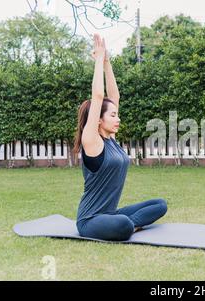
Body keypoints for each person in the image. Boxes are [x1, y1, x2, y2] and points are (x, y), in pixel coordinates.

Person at [73, 34, 167, 240]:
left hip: (110, 214)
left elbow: (113, 96)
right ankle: (129, 226)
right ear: (98, 119)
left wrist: (107, 62)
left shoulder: (111, 140)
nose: (118, 119)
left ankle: (127, 225)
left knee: (160, 204)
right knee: (124, 223)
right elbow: (98, 96)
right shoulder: (92, 141)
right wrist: (98, 60)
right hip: (90, 220)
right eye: (113, 115)